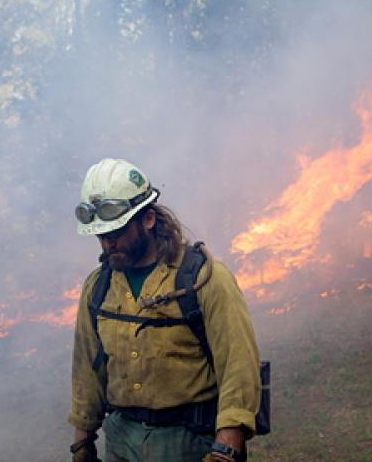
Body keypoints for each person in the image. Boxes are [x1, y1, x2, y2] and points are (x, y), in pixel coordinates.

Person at [69, 158, 261, 462]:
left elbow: (239, 366)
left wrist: (226, 446)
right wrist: (82, 442)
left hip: (189, 442)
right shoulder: (97, 288)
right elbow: (86, 370)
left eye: (117, 231)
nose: (108, 243)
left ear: (147, 219)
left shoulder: (203, 280)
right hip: (121, 439)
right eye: (101, 235)